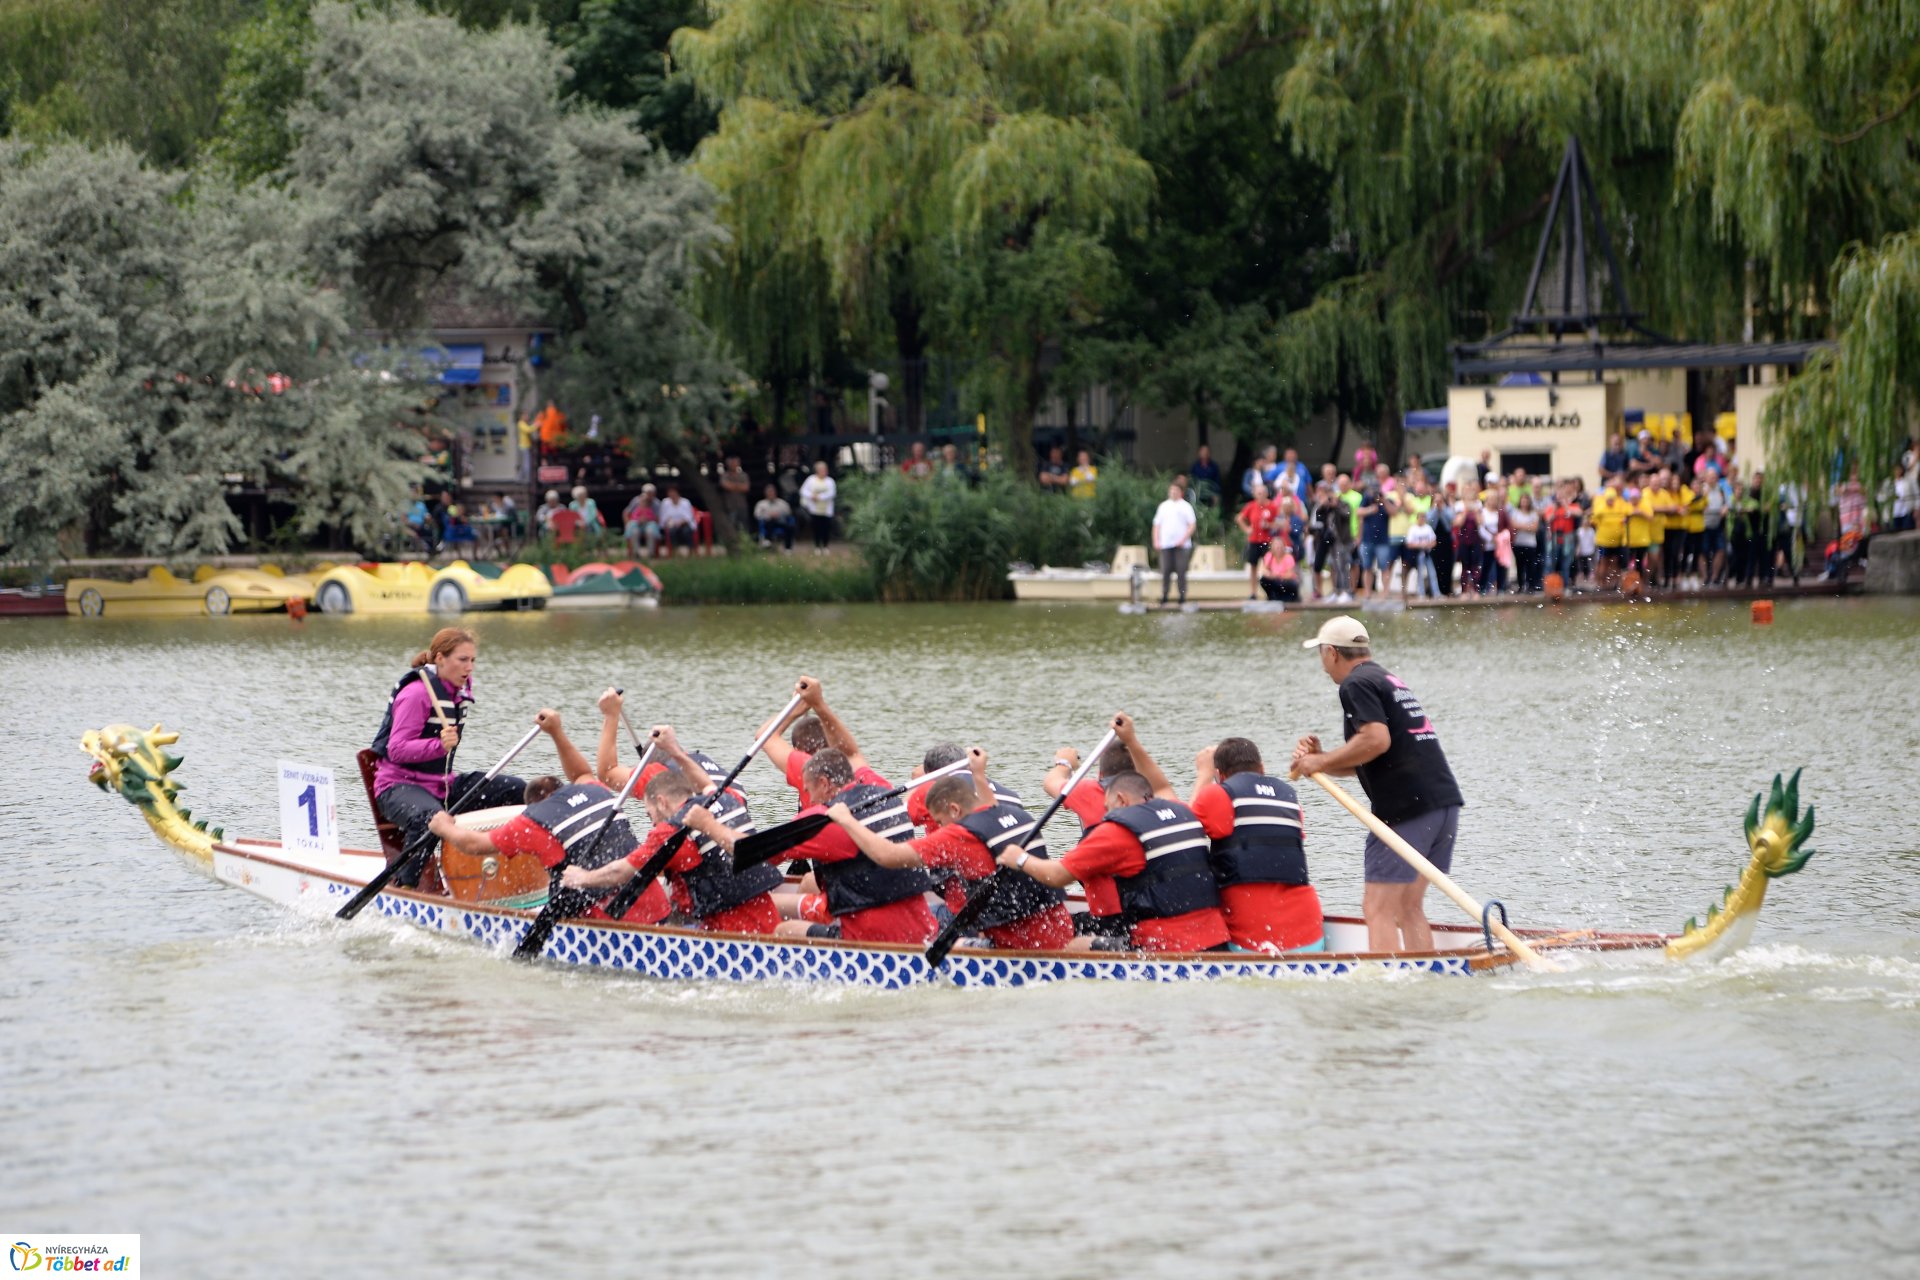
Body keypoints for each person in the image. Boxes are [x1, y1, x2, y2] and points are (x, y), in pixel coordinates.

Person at [1292, 616, 1463, 954]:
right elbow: (1379, 756)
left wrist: (1320, 762)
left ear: (1331, 653)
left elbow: (1376, 739)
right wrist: (1324, 759)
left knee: (1378, 908)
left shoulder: (1355, 684)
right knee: (1407, 908)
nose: (1323, 666)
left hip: (1407, 810)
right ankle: (1423, 978)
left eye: (1321, 656)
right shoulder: (1387, 678)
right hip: (1442, 805)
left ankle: (1382, 989)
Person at [999, 716, 1230, 953]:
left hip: (1164, 948)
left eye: (1107, 808)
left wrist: (1018, 857)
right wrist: (1131, 740)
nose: (1106, 814)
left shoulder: (1117, 831)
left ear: (1120, 799)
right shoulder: (1180, 810)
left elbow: (1057, 876)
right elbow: (1161, 786)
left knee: (1069, 945)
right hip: (1216, 941)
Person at [428, 709, 670, 924]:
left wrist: (443, 826)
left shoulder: (533, 821)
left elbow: (474, 844)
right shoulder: (595, 790)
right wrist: (556, 732)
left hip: (612, 919)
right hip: (659, 908)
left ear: (534, 804)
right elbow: (582, 772)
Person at [822, 748, 1075, 951]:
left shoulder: (960, 835)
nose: (940, 827)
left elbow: (887, 856)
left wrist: (846, 820)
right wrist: (978, 773)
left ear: (954, 810)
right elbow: (988, 803)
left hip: (1020, 947)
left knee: (925, 942)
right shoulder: (1012, 814)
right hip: (1060, 931)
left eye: (940, 821)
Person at [368, 628, 530, 888]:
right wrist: (437, 746)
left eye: (473, 660)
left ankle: (515, 876)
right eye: (462, 660)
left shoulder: (457, 692)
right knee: (430, 820)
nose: (470, 667)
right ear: (440, 659)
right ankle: (407, 887)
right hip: (397, 788)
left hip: (441, 787)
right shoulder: (416, 694)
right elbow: (396, 749)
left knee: (518, 790)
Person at [559, 764, 784, 935]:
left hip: (733, 932)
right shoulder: (723, 800)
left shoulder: (669, 831)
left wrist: (583, 877)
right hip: (766, 919)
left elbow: (622, 872)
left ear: (662, 802)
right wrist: (674, 750)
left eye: (650, 814)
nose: (652, 822)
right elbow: (707, 784)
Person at [1190, 737, 1325, 952]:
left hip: (1251, 940)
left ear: (1220, 775)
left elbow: (1181, 832)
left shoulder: (1218, 793)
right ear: (1262, 768)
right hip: (1310, 936)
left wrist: (1204, 775)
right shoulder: (1289, 798)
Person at [1151, 480, 1198, 606]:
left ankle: (1182, 595)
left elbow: (1192, 525)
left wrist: (1183, 539)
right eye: (1171, 490)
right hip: (1166, 544)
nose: (1173, 492)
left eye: (1175, 490)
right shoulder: (1163, 506)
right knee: (1165, 570)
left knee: (1181, 571)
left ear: (1180, 492)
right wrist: (1156, 540)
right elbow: (1156, 525)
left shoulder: (1185, 506)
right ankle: (1165, 594)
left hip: (1182, 545)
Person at [1236, 482, 1274, 599]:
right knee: (1253, 566)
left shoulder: (1272, 506)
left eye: (1263, 493)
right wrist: (1247, 529)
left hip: (1267, 541)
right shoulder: (1251, 506)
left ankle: (1270, 592)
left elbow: (1279, 523)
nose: (1261, 495)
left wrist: (1268, 525)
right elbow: (1239, 518)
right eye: (1258, 493)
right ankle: (1253, 592)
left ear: (1266, 494)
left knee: (1268, 567)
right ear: (1255, 494)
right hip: (1254, 541)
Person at [799, 460, 837, 553]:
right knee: (816, 528)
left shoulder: (830, 481)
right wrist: (811, 496)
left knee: (826, 528)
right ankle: (817, 546)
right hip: (814, 509)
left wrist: (819, 497)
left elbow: (832, 493)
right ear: (817, 470)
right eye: (822, 469)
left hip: (826, 509)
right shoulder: (811, 479)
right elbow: (803, 491)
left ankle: (825, 546)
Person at [623, 485, 661, 558]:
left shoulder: (656, 503)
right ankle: (635, 553)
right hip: (637, 524)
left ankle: (651, 553)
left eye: (651, 493)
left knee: (650, 532)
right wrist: (628, 524)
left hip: (649, 524)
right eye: (648, 493)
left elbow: (655, 517)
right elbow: (628, 514)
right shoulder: (636, 501)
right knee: (634, 532)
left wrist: (647, 519)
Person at [753, 483, 795, 551]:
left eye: (772, 492)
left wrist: (779, 514)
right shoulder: (761, 504)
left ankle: (788, 549)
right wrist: (768, 515)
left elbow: (788, 512)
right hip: (767, 522)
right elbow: (757, 515)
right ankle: (768, 542)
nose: (771, 494)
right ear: (765, 493)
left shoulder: (782, 503)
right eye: (769, 492)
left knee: (790, 527)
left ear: (775, 492)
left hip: (780, 522)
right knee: (769, 522)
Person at [659, 483, 698, 555]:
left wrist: (681, 522)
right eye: (670, 492)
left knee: (687, 531)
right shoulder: (665, 502)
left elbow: (689, 516)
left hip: (684, 523)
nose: (672, 494)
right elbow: (663, 516)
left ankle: (691, 550)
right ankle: (675, 550)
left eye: (673, 492)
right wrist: (669, 522)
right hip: (671, 524)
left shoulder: (685, 502)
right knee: (672, 531)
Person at [718, 456, 753, 531]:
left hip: (742, 505)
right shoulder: (724, 475)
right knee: (731, 526)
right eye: (731, 463)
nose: (733, 464)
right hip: (730, 506)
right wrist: (739, 486)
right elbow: (725, 485)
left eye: (735, 462)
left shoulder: (744, 475)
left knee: (744, 526)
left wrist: (733, 485)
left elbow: (746, 487)